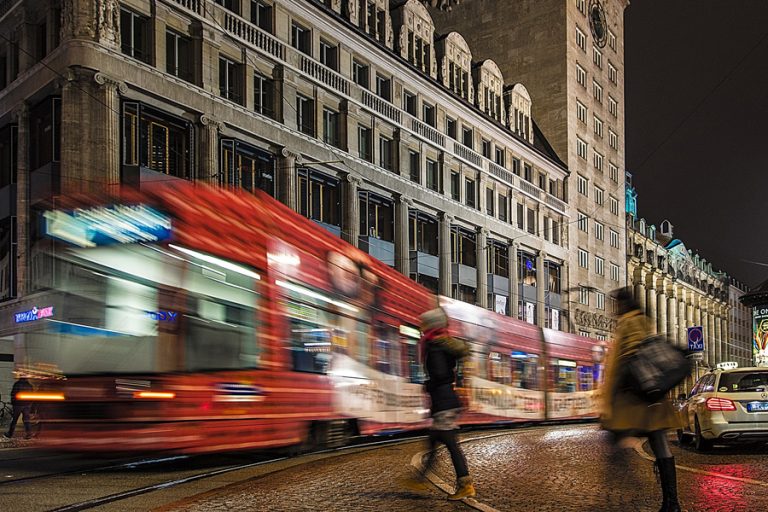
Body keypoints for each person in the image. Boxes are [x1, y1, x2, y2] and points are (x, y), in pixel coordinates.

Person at [601, 288, 681, 512]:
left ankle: (623, 487)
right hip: (653, 394)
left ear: (622, 305)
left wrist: (607, 399)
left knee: (616, 434)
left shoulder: (626, 323)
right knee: (660, 443)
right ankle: (671, 503)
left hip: (633, 396)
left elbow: (619, 363)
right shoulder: (646, 321)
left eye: (615, 304)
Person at [402, 307, 475, 500]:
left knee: (449, 443)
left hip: (444, 401)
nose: (422, 328)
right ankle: (421, 479)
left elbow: (440, 374)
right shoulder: (443, 345)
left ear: (431, 326)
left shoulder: (435, 347)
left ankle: (465, 484)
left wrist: (428, 384)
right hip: (446, 400)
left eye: (424, 324)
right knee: (434, 441)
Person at [3, 376, 34, 440]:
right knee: (26, 420)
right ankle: (29, 433)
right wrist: (30, 404)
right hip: (27, 405)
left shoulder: (17, 384)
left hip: (18, 405)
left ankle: (10, 434)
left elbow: (13, 394)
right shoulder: (30, 385)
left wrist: (13, 402)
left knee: (14, 420)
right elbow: (32, 396)